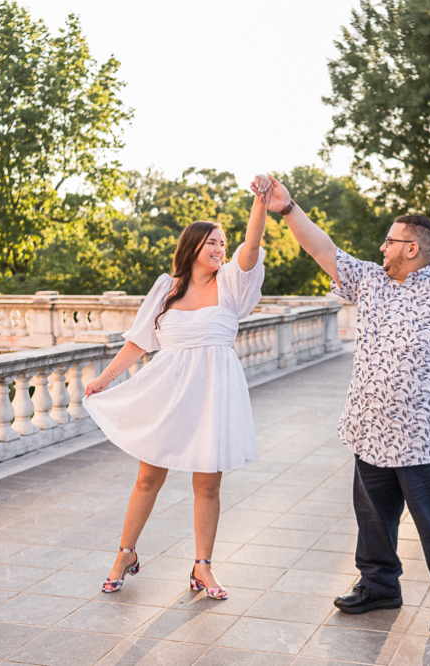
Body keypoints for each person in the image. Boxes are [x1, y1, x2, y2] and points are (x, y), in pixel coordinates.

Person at [260, 176, 430, 638]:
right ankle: (378, 586)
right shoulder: (372, 282)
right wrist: (287, 207)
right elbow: (324, 251)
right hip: (371, 429)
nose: (381, 247)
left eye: (390, 241)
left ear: (412, 248)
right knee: (373, 517)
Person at [83, 174, 275, 600]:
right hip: (168, 393)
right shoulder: (166, 288)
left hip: (214, 393)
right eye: (212, 243)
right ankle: (124, 554)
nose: (221, 249)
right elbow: (138, 341)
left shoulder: (232, 284)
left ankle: (202, 568)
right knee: (147, 479)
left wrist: (260, 204)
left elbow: (252, 246)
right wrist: (104, 378)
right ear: (192, 247)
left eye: (224, 243)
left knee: (208, 484)